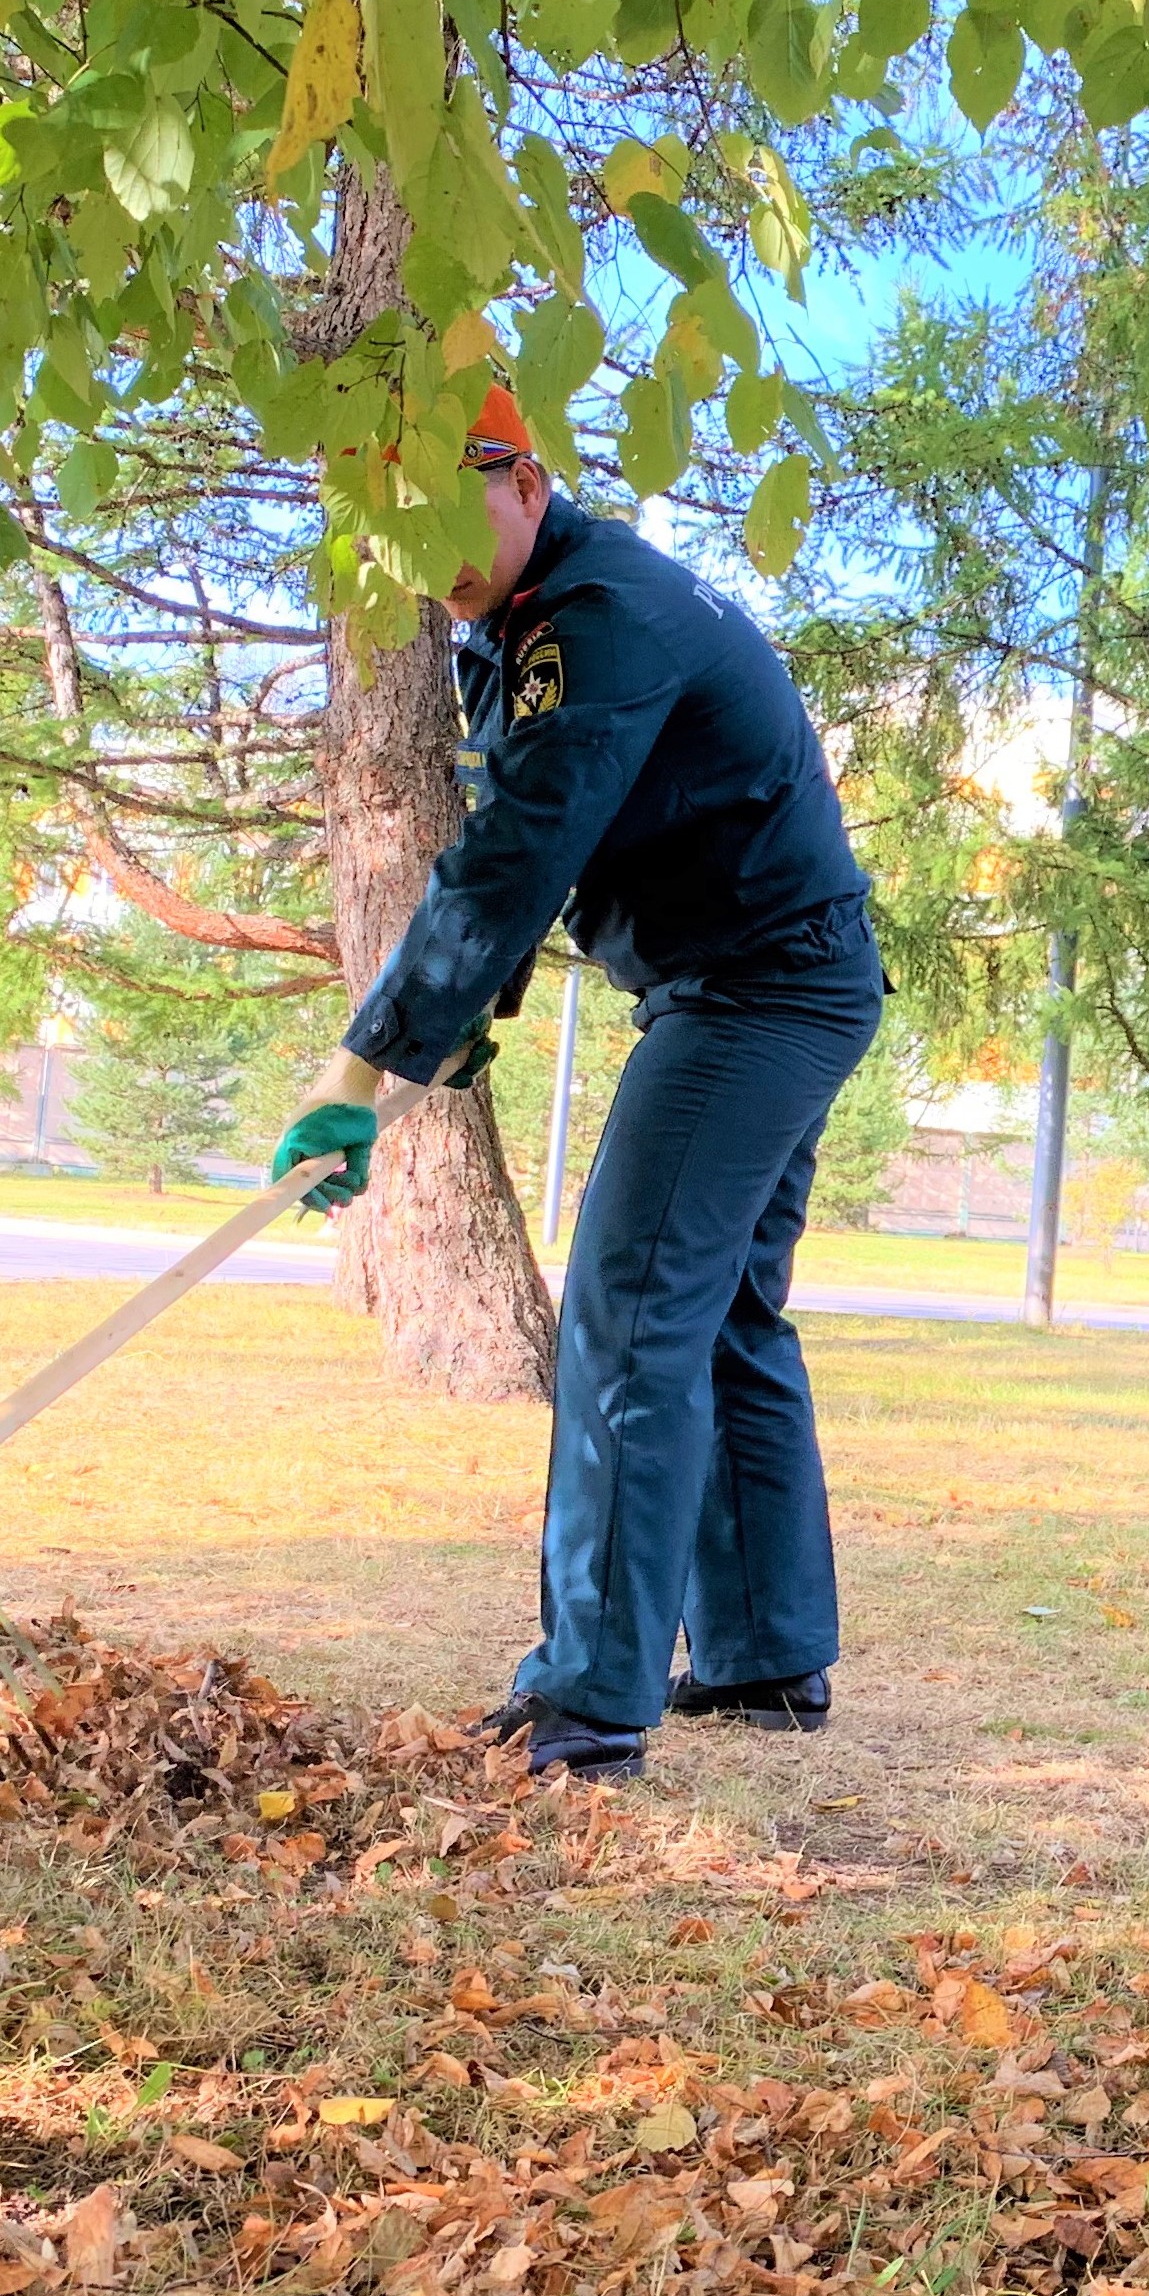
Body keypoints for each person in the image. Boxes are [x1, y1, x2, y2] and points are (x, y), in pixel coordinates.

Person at [272, 385, 881, 1786]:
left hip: (758, 987)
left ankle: (590, 1695)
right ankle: (765, 1655)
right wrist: (446, 1038)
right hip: (769, 978)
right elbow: (557, 850)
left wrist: (359, 1074)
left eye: (445, 516)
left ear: (525, 479)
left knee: (628, 1310)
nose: (434, 561)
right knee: (722, 1308)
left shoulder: (592, 620)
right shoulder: (537, 616)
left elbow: (510, 859)